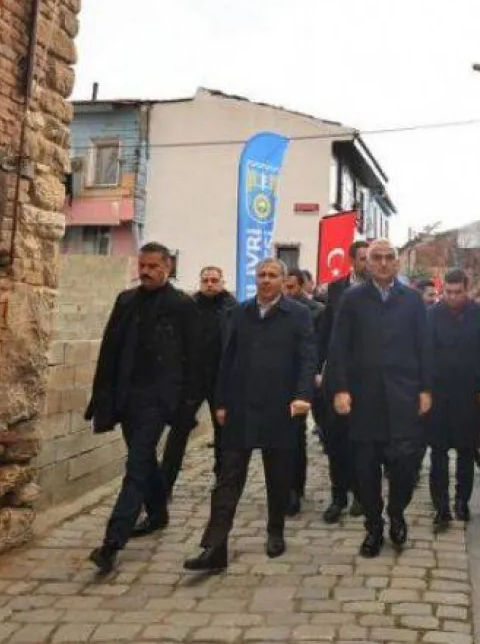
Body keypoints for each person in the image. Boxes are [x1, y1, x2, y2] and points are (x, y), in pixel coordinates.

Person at [183, 259, 317, 572]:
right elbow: (226, 359)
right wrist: (221, 402)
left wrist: (302, 396)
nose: (266, 281)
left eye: (272, 276)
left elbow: (307, 359)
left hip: (280, 408)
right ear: (254, 279)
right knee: (227, 479)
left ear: (284, 281)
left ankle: (275, 530)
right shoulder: (238, 313)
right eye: (261, 275)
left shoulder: (297, 315)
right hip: (241, 407)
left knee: (278, 476)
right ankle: (214, 548)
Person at [84, 243, 205, 575]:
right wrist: (101, 397)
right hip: (127, 396)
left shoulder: (182, 305)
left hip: (158, 400)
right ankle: (158, 512)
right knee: (145, 459)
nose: (146, 271)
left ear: (167, 267)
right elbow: (110, 350)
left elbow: (195, 359)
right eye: (143, 265)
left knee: (136, 465)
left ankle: (112, 543)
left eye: (153, 266)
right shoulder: (126, 301)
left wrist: (188, 404)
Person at [328, 239, 434, 557]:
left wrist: (426, 389)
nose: (384, 263)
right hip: (365, 398)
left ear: (398, 263)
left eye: (390, 258)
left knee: (404, 464)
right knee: (366, 467)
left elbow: (425, 346)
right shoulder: (352, 299)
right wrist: (340, 388)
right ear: (368, 263)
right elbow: (339, 347)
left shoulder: (413, 301)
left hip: (403, 396)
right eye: (377, 258)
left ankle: (397, 512)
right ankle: (373, 527)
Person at [427, 269, 480, 527]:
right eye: (449, 292)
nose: (453, 297)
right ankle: (441, 506)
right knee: (438, 453)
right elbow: (424, 352)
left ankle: (462, 501)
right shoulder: (431, 315)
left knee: (466, 451)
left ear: (467, 290)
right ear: (443, 290)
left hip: (469, 393)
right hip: (439, 392)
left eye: (458, 292)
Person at [161, 265, 236, 491]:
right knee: (178, 430)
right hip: (192, 379)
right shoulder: (189, 307)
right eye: (206, 280)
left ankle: (222, 478)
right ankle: (165, 482)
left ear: (222, 282)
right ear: (200, 282)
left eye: (214, 280)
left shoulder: (233, 309)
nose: (210, 284)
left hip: (221, 379)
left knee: (223, 431)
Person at [318, 241, 370, 522]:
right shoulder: (335, 290)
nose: (367, 264)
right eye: (362, 259)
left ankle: (362, 495)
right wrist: (318, 368)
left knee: (361, 441)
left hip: (366, 378)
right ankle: (339, 496)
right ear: (352, 261)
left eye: (369, 258)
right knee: (335, 439)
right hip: (337, 374)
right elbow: (326, 330)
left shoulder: (378, 292)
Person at [284, 268, 325, 515]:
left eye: (291, 287)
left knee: (296, 436)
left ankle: (294, 490)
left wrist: (315, 376)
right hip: (277, 381)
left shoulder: (315, 312)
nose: (287, 291)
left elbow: (316, 349)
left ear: (300, 286)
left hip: (303, 380)